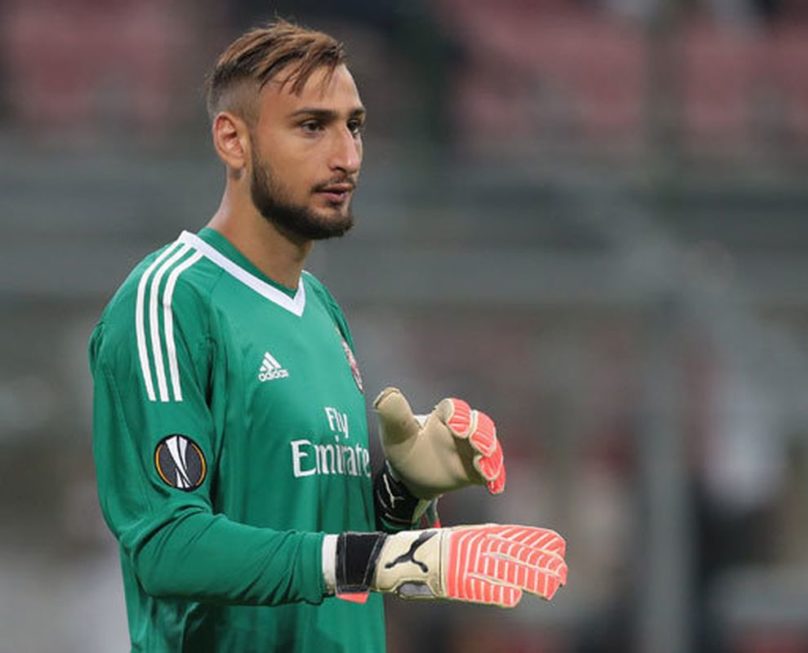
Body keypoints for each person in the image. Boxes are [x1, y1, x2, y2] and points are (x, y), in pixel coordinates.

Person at [89, 19, 567, 653]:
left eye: (355, 126)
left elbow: (328, 543)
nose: (347, 156)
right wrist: (371, 558)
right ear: (233, 140)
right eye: (312, 126)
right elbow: (169, 547)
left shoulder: (321, 309)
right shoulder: (170, 300)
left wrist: (402, 494)